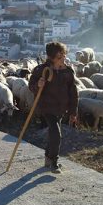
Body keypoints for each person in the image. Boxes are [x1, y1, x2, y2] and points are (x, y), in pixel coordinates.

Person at [28, 42, 79, 174]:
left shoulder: (68, 72)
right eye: (59, 55)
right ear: (51, 57)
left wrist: (73, 112)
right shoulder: (42, 70)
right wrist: (38, 84)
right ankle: (54, 163)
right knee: (56, 134)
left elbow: (73, 93)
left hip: (61, 108)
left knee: (53, 134)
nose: (62, 57)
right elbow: (31, 86)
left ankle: (47, 157)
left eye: (63, 54)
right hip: (46, 107)